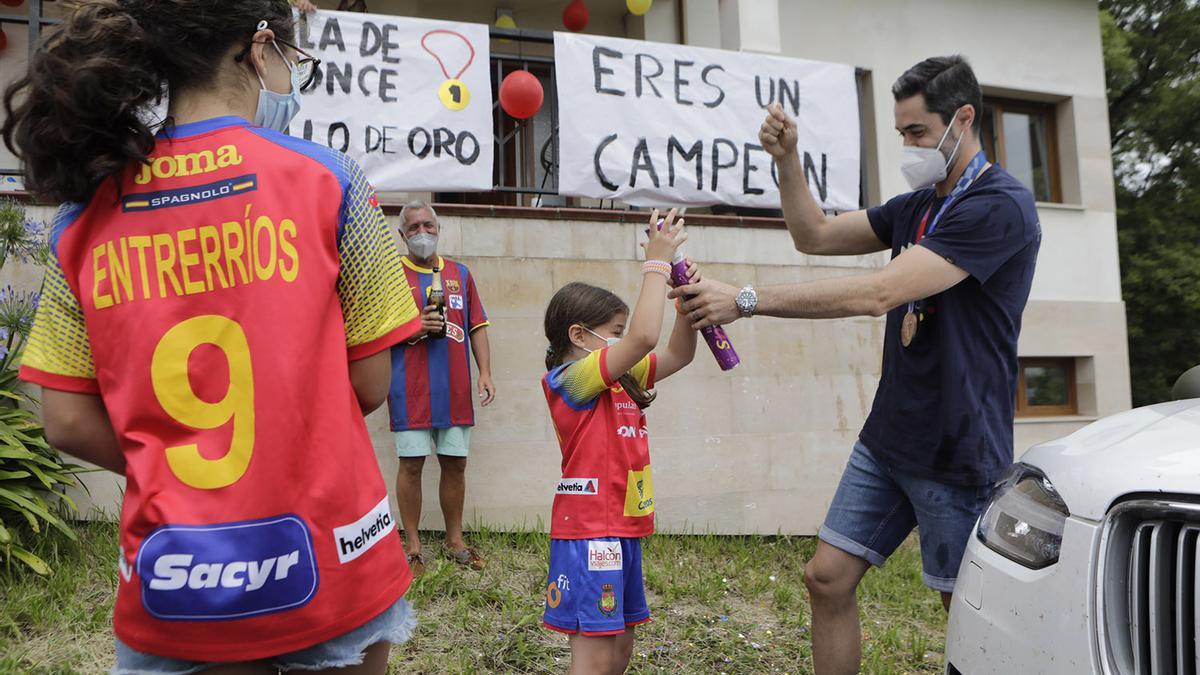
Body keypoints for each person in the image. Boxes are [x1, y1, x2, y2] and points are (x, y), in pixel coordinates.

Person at [2, 1, 423, 672]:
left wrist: (168, 456)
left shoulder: (80, 220)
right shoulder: (333, 180)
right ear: (260, 49)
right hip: (332, 560)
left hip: (173, 585)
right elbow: (372, 380)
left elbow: (67, 422)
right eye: (293, 59)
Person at [672, 56, 1041, 674]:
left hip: (956, 447)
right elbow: (812, 234)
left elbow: (879, 294)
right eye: (901, 133)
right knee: (827, 578)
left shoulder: (1001, 205)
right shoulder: (917, 204)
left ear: (964, 119)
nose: (908, 145)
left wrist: (745, 299)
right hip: (890, 436)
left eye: (918, 132)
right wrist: (788, 161)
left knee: (969, 612)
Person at [541, 209, 700, 674]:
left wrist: (684, 303)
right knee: (595, 654)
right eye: (614, 333)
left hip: (624, 527)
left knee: (621, 649)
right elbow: (646, 337)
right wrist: (656, 262)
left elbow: (677, 353)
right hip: (591, 531)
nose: (624, 341)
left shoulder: (623, 377)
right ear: (579, 335)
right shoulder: (570, 379)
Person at [388, 200, 495, 576]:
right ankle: (413, 546)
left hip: (453, 388)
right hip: (409, 387)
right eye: (413, 228)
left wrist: (484, 372)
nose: (422, 234)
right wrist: (412, 329)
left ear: (439, 228)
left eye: (427, 226)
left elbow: (477, 326)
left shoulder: (460, 274)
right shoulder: (390, 275)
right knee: (411, 465)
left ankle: (454, 540)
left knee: (456, 463)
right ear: (402, 235)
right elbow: (375, 330)